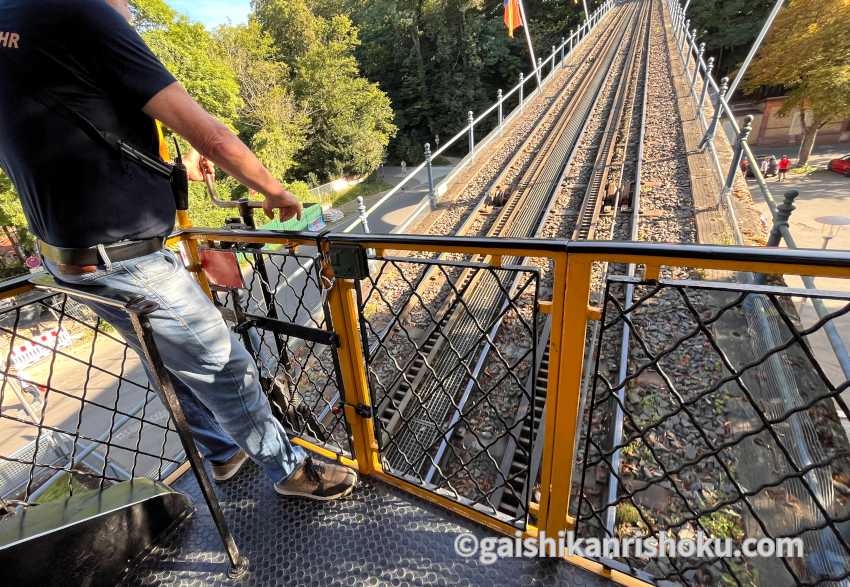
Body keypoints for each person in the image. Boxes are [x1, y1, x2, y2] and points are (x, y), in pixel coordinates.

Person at [0, 0, 356, 500]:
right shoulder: (82, 13)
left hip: (69, 262)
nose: (129, 12)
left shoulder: (12, 20)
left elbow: (71, 126)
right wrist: (275, 191)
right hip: (127, 258)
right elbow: (211, 134)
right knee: (225, 366)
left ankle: (222, 453)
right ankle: (291, 471)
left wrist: (171, 163)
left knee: (164, 361)